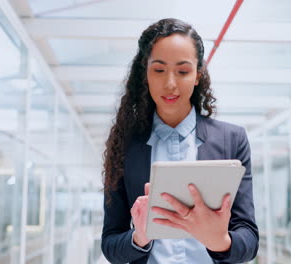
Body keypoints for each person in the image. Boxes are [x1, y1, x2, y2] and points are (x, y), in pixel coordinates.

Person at [101, 18, 258, 264]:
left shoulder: (232, 140)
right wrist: (139, 237)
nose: (170, 84)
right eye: (159, 70)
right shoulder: (126, 146)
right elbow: (110, 244)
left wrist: (219, 241)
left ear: (197, 75)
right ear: (146, 74)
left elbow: (249, 239)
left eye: (183, 71)